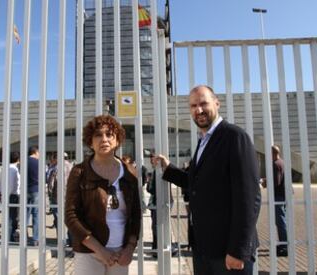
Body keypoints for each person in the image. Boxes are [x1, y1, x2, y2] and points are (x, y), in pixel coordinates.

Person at [154, 85, 261, 275]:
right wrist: (168, 168)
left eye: (203, 103)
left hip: (228, 251)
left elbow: (249, 198)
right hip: (204, 248)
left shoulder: (234, 137)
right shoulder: (204, 141)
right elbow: (199, 184)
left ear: (217, 103)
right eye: (193, 106)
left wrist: (238, 250)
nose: (199, 110)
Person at [65, 115, 141, 275]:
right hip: (89, 252)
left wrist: (130, 248)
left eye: (109, 134)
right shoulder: (80, 172)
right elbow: (71, 216)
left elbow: (135, 214)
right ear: (90, 141)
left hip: (120, 253)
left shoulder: (129, 172)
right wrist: (100, 250)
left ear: (117, 139)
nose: (104, 139)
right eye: (98, 135)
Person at [260, 145, 288, 257]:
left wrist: (263, 182)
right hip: (283, 195)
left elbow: (276, 182)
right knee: (282, 220)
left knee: (280, 221)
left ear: (273, 153)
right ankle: (283, 243)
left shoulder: (276, 164)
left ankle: (284, 246)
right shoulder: (282, 162)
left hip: (279, 196)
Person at [0, 152, 21, 242]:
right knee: (12, 218)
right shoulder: (14, 169)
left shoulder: (4, 168)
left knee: (9, 217)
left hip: (6, 194)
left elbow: (0, 182)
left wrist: (0, 192)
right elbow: (12, 184)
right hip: (13, 195)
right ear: (18, 159)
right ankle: (9, 237)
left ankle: (9, 236)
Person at [27, 146, 39, 246]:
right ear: (36, 152)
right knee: (36, 214)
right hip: (36, 189)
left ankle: (24, 236)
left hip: (26, 190)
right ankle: (35, 238)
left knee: (26, 214)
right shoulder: (38, 163)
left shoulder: (23, 162)